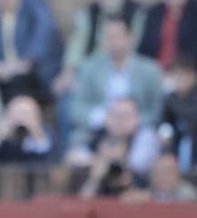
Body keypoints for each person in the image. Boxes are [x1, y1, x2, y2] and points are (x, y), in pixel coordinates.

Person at [66, 17, 164, 153]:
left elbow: (158, 108)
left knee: (143, 155)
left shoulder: (149, 69)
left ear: (130, 38)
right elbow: (76, 108)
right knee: (77, 157)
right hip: (97, 132)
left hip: (139, 132)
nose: (113, 42)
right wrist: (103, 118)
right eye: (108, 37)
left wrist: (135, 121)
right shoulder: (89, 68)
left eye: (117, 36)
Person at [0, 0, 63, 104]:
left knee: (16, 84)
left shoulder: (33, 5)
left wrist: (24, 63)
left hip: (36, 73)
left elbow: (43, 34)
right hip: (6, 76)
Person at [137, 0, 197, 71]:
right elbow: (144, 48)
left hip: (188, 73)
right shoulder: (154, 12)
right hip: (156, 72)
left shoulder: (194, 10)